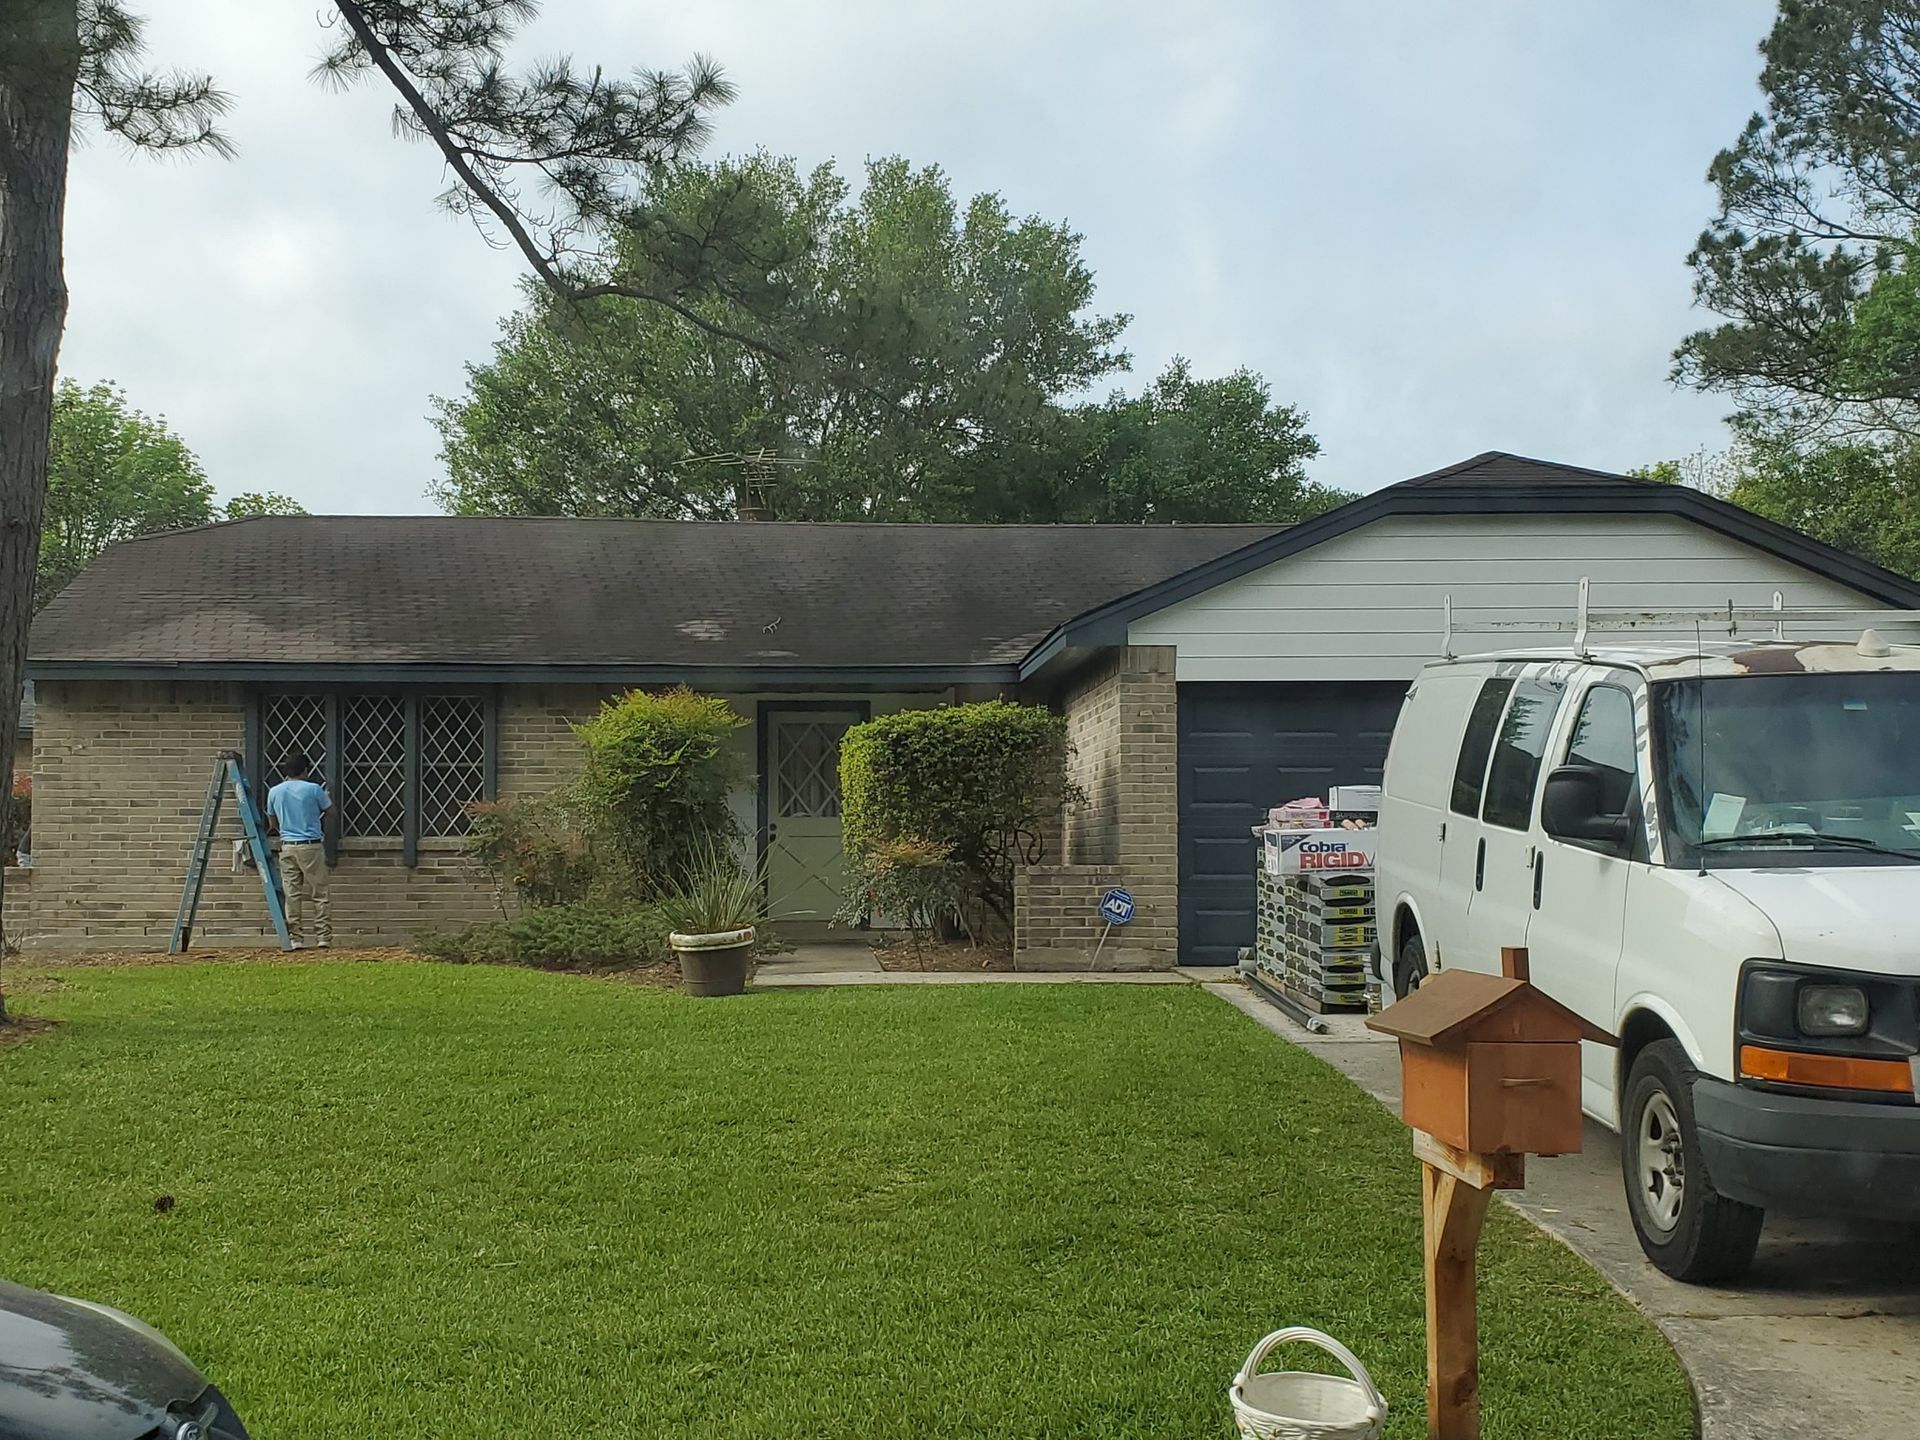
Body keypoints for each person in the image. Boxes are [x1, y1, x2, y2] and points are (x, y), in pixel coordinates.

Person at [265, 755, 332, 949]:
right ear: (305, 770)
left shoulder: (275, 791)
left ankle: (296, 938)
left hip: (287, 845)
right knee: (320, 892)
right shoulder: (313, 789)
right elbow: (331, 811)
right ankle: (323, 937)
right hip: (310, 845)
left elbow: (272, 821)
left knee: (292, 893)